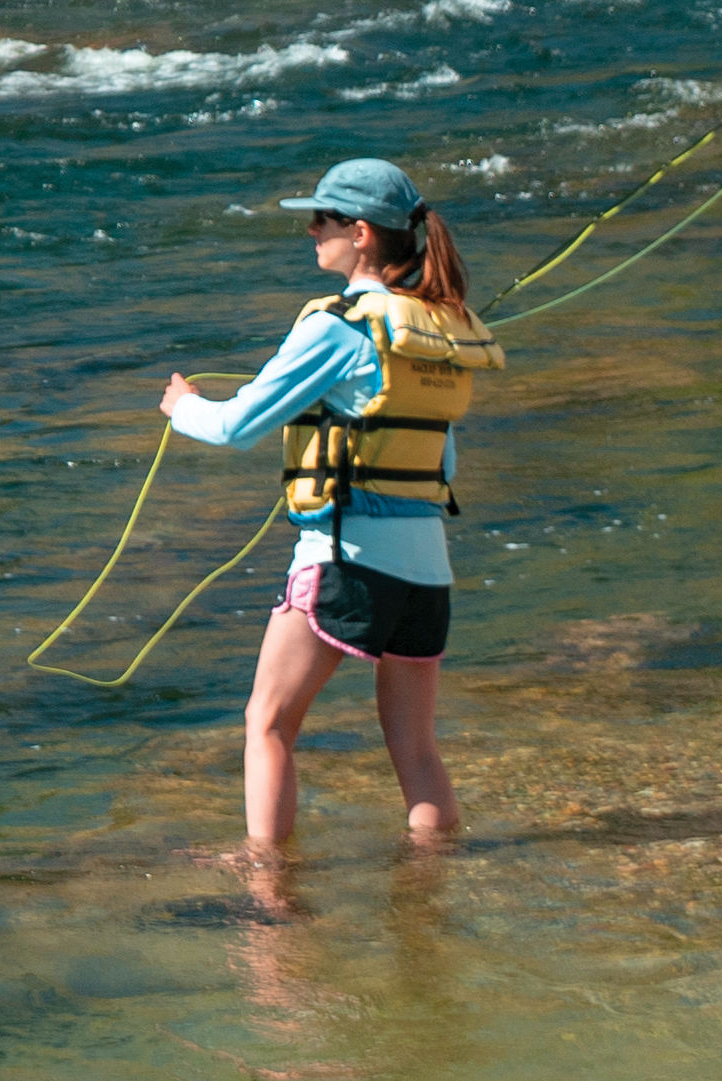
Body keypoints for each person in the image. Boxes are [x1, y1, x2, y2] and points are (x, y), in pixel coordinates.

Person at [160, 158, 503, 846]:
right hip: (427, 575)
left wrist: (182, 407)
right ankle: (430, 890)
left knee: (268, 722)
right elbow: (441, 458)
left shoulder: (338, 325)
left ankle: (270, 894)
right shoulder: (438, 325)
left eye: (321, 219)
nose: (311, 230)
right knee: (416, 748)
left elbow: (235, 426)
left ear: (362, 234)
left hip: (345, 558)